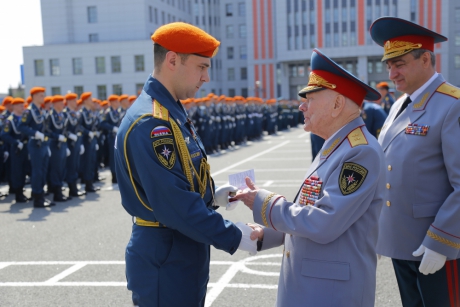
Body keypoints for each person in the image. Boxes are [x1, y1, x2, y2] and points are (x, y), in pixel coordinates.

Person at [114, 22, 255, 307]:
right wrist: (238, 235)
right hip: (166, 255)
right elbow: (175, 205)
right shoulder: (152, 123)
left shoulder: (170, 110)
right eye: (201, 67)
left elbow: (184, 178)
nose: (206, 78)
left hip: (181, 248)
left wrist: (210, 197)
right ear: (173, 60)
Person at [233, 48, 386, 307]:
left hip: (331, 295)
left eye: (311, 98)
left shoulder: (359, 152)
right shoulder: (335, 145)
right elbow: (309, 212)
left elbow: (324, 222)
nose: (302, 105)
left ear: (337, 104)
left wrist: (265, 202)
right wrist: (267, 234)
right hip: (315, 289)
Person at [370, 17, 460, 306]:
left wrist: (441, 241)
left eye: (400, 64)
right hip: (400, 241)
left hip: (437, 245)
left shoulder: (452, 105)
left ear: (425, 59)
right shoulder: (399, 104)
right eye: (388, 65)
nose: (392, 73)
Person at [18, 87, 55, 208]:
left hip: (43, 144)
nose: (43, 97)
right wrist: (35, 133)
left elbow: (46, 129)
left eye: (43, 95)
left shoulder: (41, 111)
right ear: (33, 96)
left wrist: (47, 142)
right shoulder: (29, 111)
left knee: (43, 171)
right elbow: (21, 126)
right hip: (35, 144)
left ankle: (41, 196)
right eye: (40, 95)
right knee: (37, 171)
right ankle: (37, 199)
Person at [1, 97, 29, 202]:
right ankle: (18, 194)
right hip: (16, 148)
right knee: (17, 171)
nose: (23, 107)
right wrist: (16, 142)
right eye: (20, 105)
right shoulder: (10, 120)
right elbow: (4, 135)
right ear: (14, 107)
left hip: (25, 147)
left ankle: (21, 191)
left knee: (24, 170)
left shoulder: (23, 118)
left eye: (23, 105)